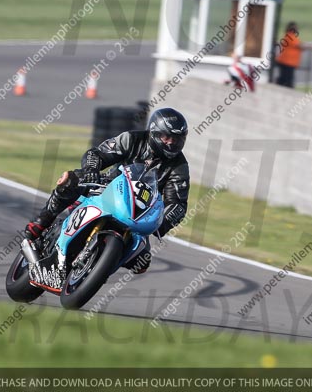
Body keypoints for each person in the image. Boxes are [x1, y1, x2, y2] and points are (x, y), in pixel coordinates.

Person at [24, 108, 190, 275]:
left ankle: (97, 268)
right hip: (108, 188)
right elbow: (97, 153)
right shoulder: (132, 139)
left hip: (140, 212)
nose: (171, 143)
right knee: (71, 179)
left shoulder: (179, 166)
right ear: (154, 132)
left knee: (142, 263)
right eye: (166, 137)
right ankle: (41, 222)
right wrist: (91, 168)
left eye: (176, 139)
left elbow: (178, 203)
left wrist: (163, 222)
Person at [273, 21, 301, 88]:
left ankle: (278, 85)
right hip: (287, 61)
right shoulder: (290, 37)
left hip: (287, 61)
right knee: (287, 79)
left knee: (284, 77)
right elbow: (298, 45)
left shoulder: (289, 36)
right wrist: (309, 47)